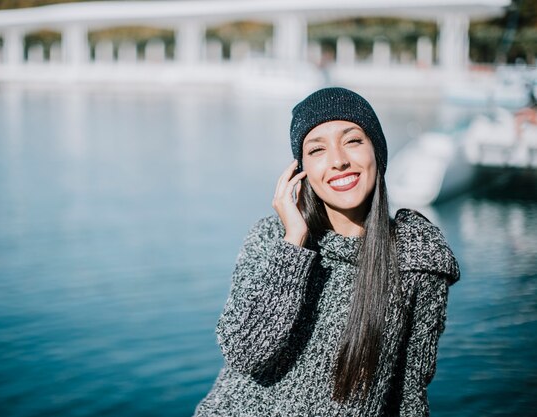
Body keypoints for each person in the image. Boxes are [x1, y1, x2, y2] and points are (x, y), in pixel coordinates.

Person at [193, 87, 460, 417]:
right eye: (317, 149)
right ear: (300, 169)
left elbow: (409, 392)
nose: (338, 160)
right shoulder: (271, 238)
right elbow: (244, 353)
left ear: (377, 151)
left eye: (352, 140)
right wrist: (293, 245)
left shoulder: (416, 258)